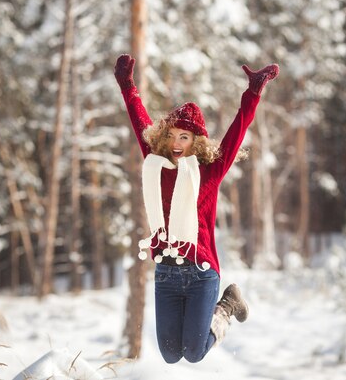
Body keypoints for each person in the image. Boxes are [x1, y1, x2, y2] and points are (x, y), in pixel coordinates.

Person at [114, 54, 279, 363]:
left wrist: (252, 94)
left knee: (193, 352)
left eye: (184, 137)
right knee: (169, 354)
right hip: (166, 273)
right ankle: (219, 309)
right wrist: (127, 85)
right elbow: (139, 122)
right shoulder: (156, 166)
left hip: (201, 273)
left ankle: (227, 304)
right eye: (172, 135)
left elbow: (236, 132)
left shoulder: (209, 171)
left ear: (195, 141)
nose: (177, 142)